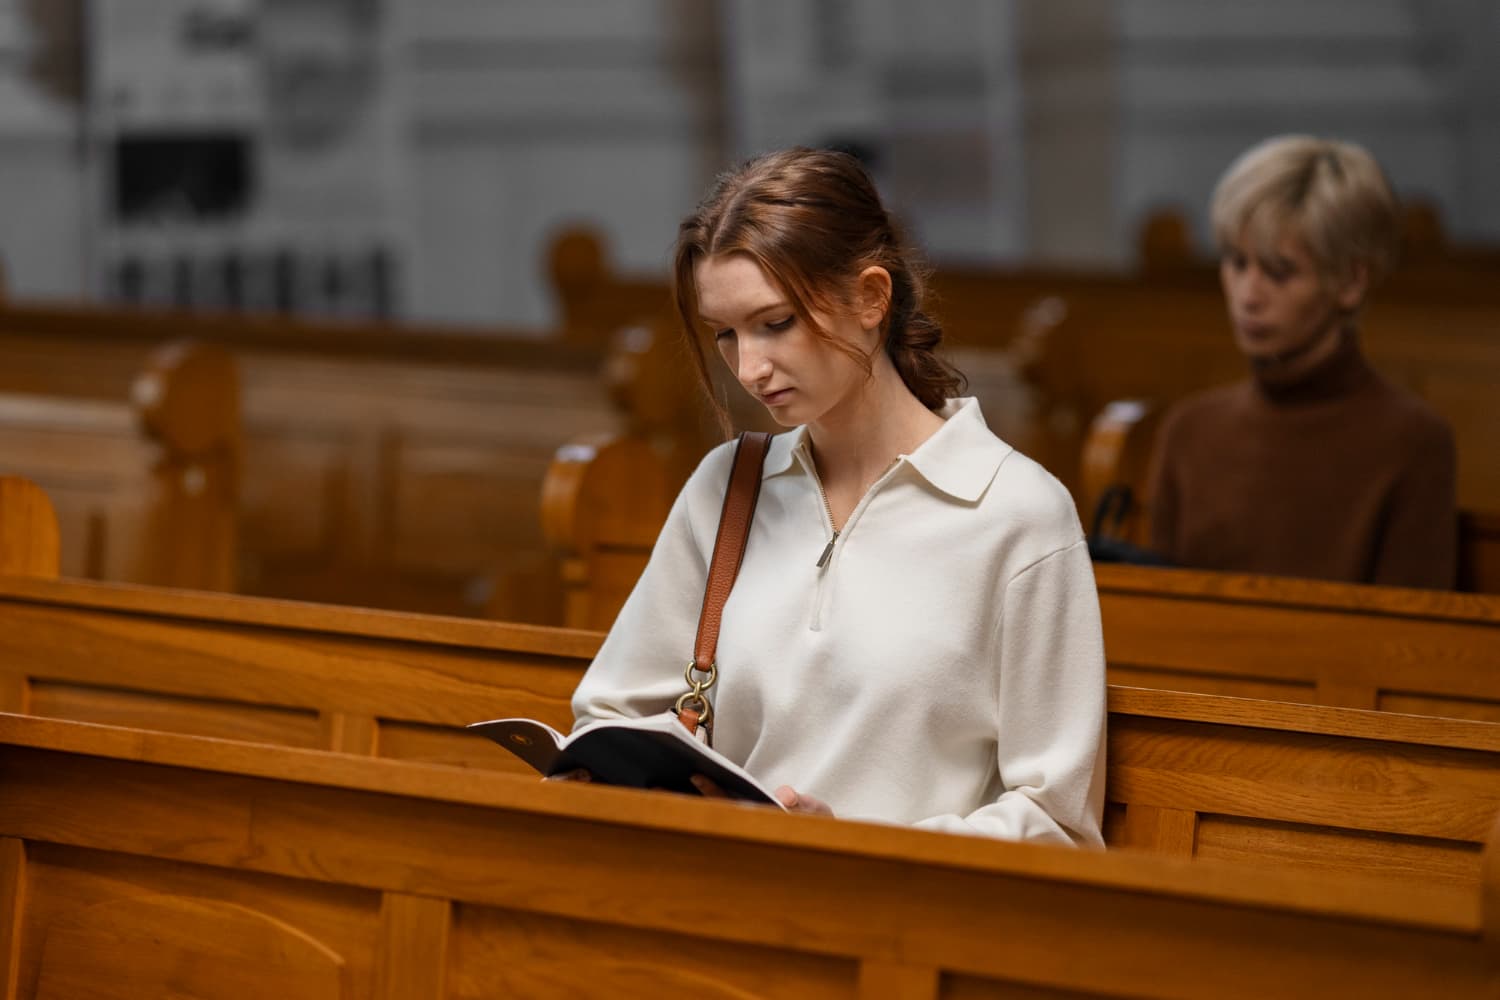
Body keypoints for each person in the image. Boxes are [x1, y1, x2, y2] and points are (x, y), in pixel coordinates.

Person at [565, 147, 1106, 845]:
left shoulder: (1019, 515)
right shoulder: (726, 487)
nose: (749, 368)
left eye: (776, 322)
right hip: (717, 908)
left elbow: (1057, 822)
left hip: (899, 930)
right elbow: (608, 713)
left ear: (871, 298)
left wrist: (854, 845)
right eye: (726, 334)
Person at [1146, 135, 1458, 589]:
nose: (1248, 296)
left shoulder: (1412, 441)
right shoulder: (1189, 431)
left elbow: (1410, 644)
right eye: (1236, 263)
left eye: (1279, 271)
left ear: (1350, 281)